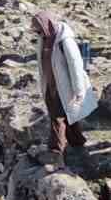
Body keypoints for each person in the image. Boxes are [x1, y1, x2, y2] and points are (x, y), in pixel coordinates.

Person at [32, 11, 97, 160]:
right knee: (66, 116)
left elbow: (76, 65)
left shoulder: (64, 40)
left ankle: (56, 152)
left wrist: (79, 90)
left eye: (39, 29)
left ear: (46, 25)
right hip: (50, 86)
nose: (38, 33)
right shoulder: (43, 39)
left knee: (58, 118)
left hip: (64, 87)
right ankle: (77, 142)